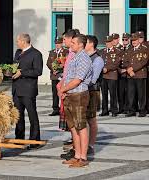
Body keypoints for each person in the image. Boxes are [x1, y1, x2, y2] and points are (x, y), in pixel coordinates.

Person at [59, 34, 92, 168]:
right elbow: (67, 76)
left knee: (81, 126)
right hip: (69, 94)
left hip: (78, 95)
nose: (70, 44)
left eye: (73, 43)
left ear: (80, 44)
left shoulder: (84, 58)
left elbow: (78, 80)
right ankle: (77, 155)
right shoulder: (73, 57)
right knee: (72, 127)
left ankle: (83, 157)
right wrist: (63, 90)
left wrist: (63, 89)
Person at [12, 33, 43, 149]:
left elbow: (38, 71)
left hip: (28, 90)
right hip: (17, 89)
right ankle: (19, 139)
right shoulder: (18, 52)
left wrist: (22, 72)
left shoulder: (36, 54)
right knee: (18, 116)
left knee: (32, 115)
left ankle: (35, 140)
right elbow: (14, 66)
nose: (17, 43)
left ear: (24, 41)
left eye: (18, 41)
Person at [85, 35, 104, 155]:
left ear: (91, 44)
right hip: (83, 91)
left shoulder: (97, 59)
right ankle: (83, 143)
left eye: (85, 42)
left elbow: (93, 79)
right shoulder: (85, 57)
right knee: (84, 119)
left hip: (93, 91)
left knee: (91, 119)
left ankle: (91, 145)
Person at [125, 33, 148, 117]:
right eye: (132, 40)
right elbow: (125, 61)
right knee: (131, 94)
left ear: (139, 40)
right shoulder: (129, 49)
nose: (133, 42)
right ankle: (132, 110)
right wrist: (128, 69)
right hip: (130, 75)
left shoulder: (144, 49)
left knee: (141, 94)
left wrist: (132, 69)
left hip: (140, 74)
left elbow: (144, 61)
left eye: (135, 40)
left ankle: (142, 110)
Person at [47, 36, 68, 116]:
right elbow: (48, 63)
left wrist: (61, 67)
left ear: (62, 43)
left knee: (63, 92)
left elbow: (67, 62)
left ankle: (64, 108)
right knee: (54, 93)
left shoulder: (66, 52)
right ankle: (55, 109)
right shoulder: (52, 52)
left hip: (62, 75)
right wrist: (53, 69)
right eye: (56, 43)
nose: (57, 45)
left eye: (59, 43)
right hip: (54, 75)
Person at [99, 35, 121, 117]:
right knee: (104, 94)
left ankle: (114, 110)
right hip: (103, 76)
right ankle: (105, 110)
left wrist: (107, 69)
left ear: (112, 42)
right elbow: (99, 62)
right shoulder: (102, 51)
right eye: (106, 42)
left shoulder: (117, 51)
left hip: (112, 75)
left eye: (109, 42)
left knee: (113, 94)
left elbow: (116, 64)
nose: (107, 43)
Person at [118, 33, 131, 114]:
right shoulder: (120, 49)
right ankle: (121, 108)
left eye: (126, 39)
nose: (124, 41)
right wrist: (119, 70)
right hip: (121, 73)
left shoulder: (131, 49)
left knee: (128, 92)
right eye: (123, 39)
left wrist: (126, 70)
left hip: (128, 73)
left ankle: (127, 108)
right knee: (121, 91)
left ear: (129, 40)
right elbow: (116, 61)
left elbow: (132, 61)